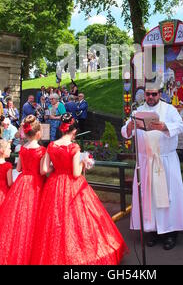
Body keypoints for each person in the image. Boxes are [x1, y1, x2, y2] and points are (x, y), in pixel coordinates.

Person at [31, 113, 128, 265]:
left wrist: (57, 167)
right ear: (74, 130)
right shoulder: (74, 147)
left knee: (55, 222)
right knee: (78, 220)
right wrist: (84, 162)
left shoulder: (52, 145)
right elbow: (76, 173)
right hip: (72, 185)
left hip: (54, 184)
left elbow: (44, 170)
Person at [121, 87, 183, 250]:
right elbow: (125, 133)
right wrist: (131, 125)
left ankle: (170, 233)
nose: (151, 97)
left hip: (165, 160)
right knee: (149, 197)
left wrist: (164, 127)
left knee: (168, 196)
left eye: (154, 94)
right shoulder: (138, 111)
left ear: (160, 94)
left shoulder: (169, 109)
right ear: (144, 95)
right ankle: (152, 231)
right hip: (146, 161)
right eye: (148, 94)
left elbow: (180, 126)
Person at [0, 115, 46, 265]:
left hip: (22, 182)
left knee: (20, 217)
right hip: (36, 183)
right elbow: (42, 170)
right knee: (36, 215)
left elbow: (18, 168)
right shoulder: (42, 149)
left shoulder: (22, 149)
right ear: (38, 133)